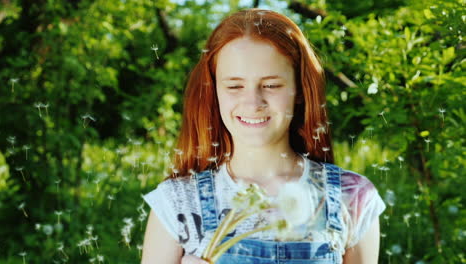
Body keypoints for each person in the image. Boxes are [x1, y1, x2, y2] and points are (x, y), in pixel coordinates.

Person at [141, 8, 385, 264]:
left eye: (271, 85)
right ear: (214, 92)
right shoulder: (177, 204)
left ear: (300, 89)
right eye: (234, 86)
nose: (253, 102)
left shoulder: (353, 198)